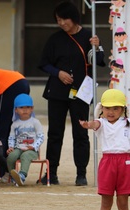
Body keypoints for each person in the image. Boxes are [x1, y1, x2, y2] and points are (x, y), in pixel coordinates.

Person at [38, 1, 105, 186]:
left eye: (64, 19)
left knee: (81, 133)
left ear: (74, 18)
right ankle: (51, 174)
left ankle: (81, 174)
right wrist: (58, 73)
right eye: (58, 20)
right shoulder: (55, 39)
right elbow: (44, 63)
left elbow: (99, 62)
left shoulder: (89, 37)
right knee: (55, 133)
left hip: (81, 93)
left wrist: (98, 47)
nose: (61, 23)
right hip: (57, 92)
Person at [6, 94, 44, 186]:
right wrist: (11, 147)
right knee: (11, 156)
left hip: (31, 150)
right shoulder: (14, 124)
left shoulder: (35, 122)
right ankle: (13, 176)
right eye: (21, 107)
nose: (25, 110)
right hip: (18, 148)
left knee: (25, 156)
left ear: (32, 109)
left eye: (28, 107)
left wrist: (34, 146)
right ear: (16, 110)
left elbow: (41, 137)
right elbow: (11, 137)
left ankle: (22, 176)